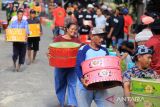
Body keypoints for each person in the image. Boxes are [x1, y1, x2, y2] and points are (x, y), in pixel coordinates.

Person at [76, 27, 112, 107]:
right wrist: (82, 80)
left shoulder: (104, 51)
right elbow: (78, 66)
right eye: (99, 37)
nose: (102, 39)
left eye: (103, 37)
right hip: (85, 86)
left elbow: (108, 67)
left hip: (100, 85)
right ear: (92, 36)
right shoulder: (83, 49)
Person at [53, 23, 80, 107]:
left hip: (72, 67)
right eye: (72, 29)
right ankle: (61, 101)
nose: (73, 31)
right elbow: (52, 49)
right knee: (60, 84)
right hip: (60, 66)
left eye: (75, 29)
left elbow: (80, 52)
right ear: (67, 29)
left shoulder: (77, 40)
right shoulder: (58, 39)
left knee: (72, 84)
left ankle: (72, 103)